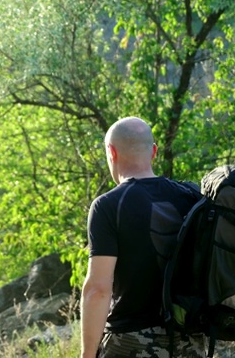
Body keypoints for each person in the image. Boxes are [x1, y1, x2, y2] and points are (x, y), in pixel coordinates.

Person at [80, 117, 206, 357]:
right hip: (190, 341)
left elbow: (98, 290)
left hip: (131, 341)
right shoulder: (192, 196)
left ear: (111, 152)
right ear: (154, 152)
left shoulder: (108, 206)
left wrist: (87, 354)